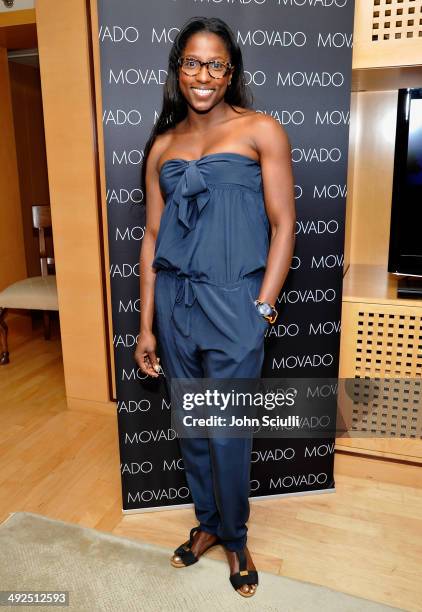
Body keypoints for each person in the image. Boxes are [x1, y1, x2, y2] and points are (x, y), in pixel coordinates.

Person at [134, 15, 295, 598]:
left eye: (215, 64)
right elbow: (152, 237)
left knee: (228, 431)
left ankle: (236, 536)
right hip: (175, 301)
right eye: (192, 63)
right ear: (178, 71)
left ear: (231, 73)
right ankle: (205, 524)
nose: (203, 75)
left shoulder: (262, 131)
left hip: (235, 301)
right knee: (195, 428)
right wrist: (146, 324)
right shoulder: (163, 145)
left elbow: (284, 225)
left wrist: (262, 308)